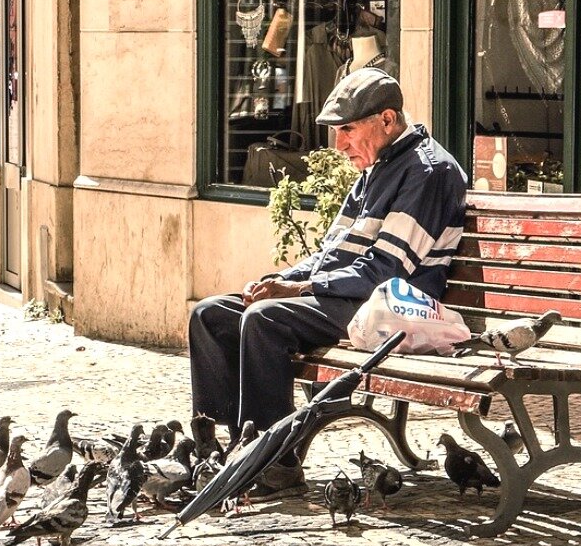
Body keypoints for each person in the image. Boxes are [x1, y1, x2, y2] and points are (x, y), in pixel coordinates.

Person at [188, 67, 468, 500]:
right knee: (210, 314)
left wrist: (298, 291)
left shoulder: (426, 172)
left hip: (395, 310)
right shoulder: (377, 166)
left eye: (348, 131)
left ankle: (275, 465)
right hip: (356, 298)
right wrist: (283, 278)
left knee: (266, 320)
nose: (339, 146)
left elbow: (388, 271)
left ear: (388, 120)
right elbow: (332, 254)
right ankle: (224, 450)